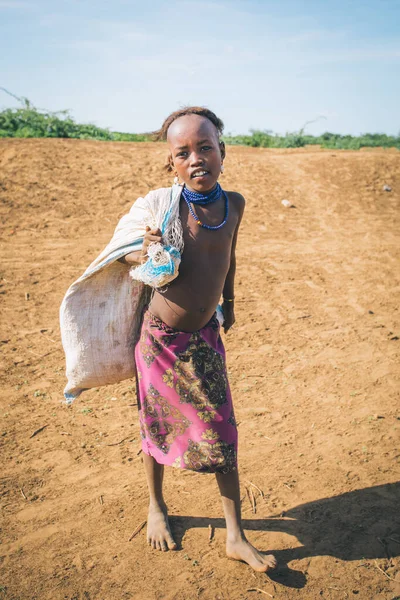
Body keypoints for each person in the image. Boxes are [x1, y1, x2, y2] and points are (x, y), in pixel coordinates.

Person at [119, 106, 277, 572]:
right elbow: (132, 256)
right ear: (172, 164)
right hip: (160, 343)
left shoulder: (236, 205)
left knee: (223, 431)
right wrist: (146, 248)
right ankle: (157, 506)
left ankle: (235, 536)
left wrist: (229, 302)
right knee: (156, 427)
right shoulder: (166, 209)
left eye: (205, 147)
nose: (196, 158)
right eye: (183, 152)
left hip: (205, 337)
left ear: (222, 152)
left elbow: (229, 256)